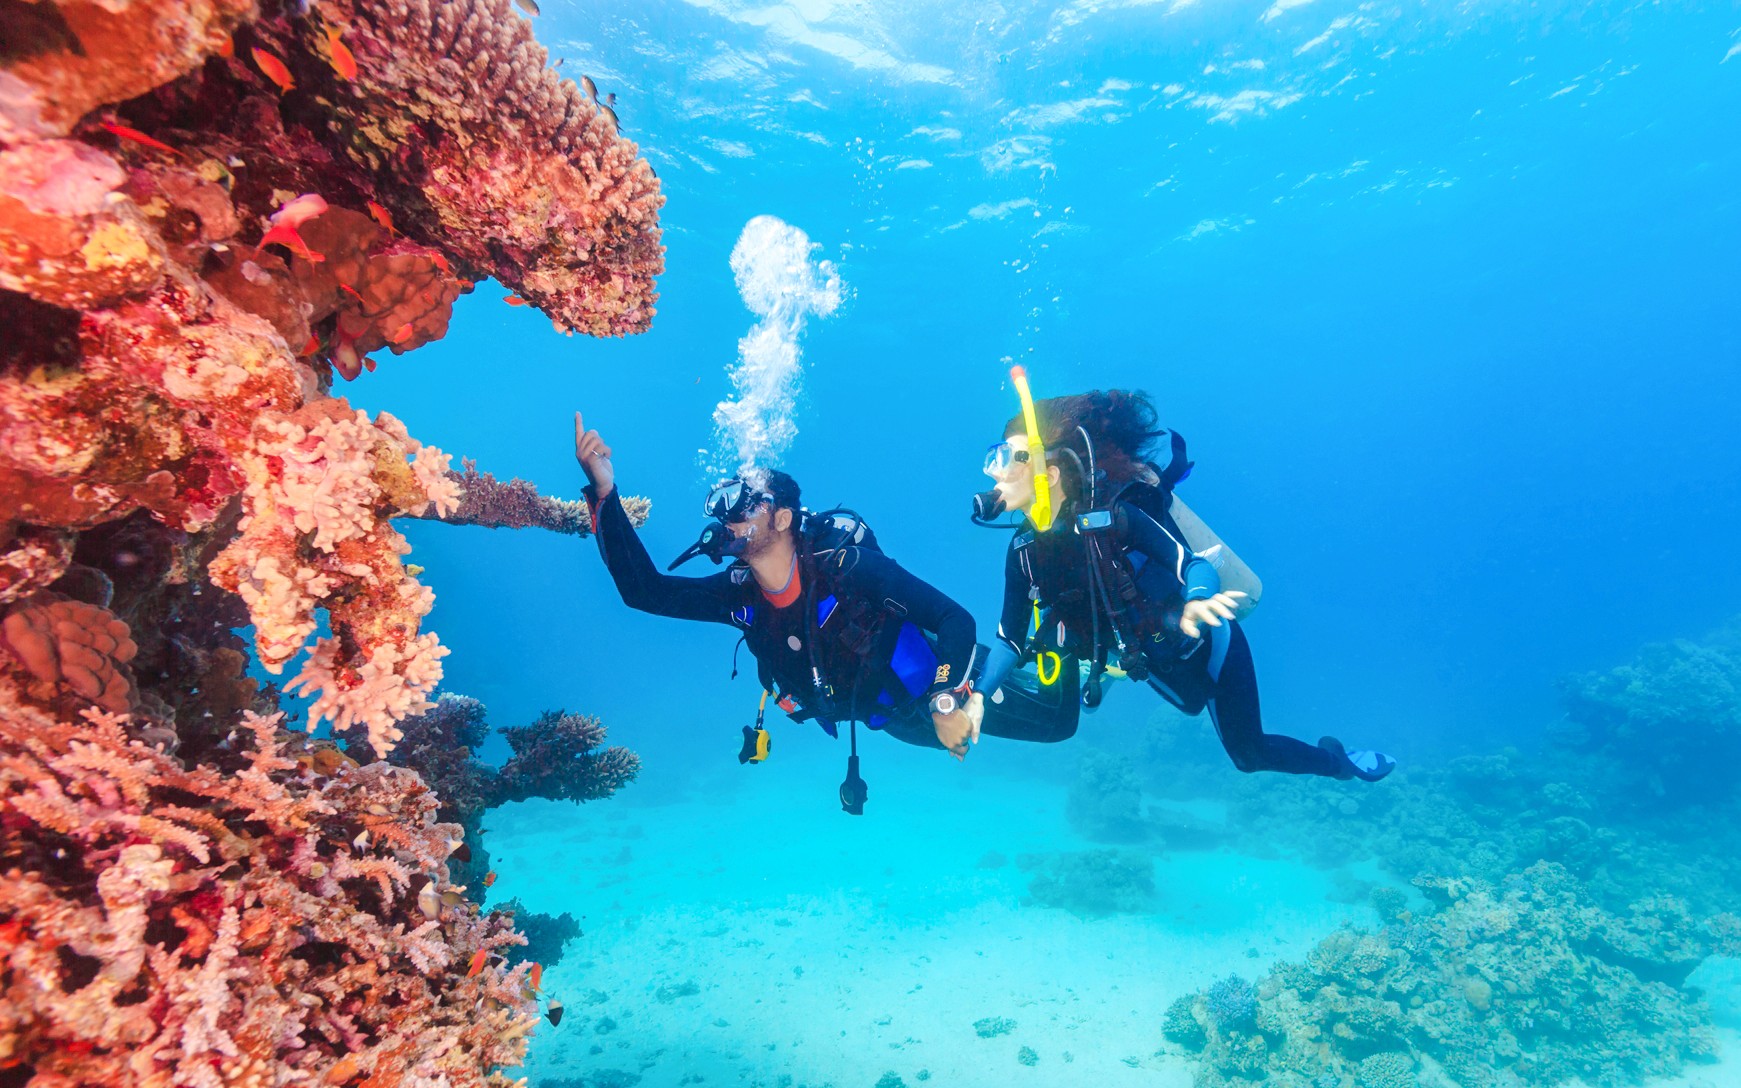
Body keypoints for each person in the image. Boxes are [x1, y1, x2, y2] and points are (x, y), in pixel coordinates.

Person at [971, 375, 1394, 782]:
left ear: (1052, 472)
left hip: (1208, 641)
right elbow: (1009, 639)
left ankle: (1340, 763)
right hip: (1148, 655)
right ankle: (1102, 666)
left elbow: (1194, 565)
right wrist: (977, 699)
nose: (994, 471)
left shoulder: (1114, 520)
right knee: (1151, 689)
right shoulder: (1024, 552)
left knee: (1248, 754)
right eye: (994, 457)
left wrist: (1198, 600)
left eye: (1007, 458)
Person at [572, 412, 989, 811]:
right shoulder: (741, 599)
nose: (730, 517)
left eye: (747, 504)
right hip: (893, 718)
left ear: (784, 518)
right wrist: (605, 494)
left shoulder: (847, 569)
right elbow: (644, 591)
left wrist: (945, 701)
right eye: (724, 505)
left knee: (1056, 721)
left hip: (959, 681)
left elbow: (955, 620)